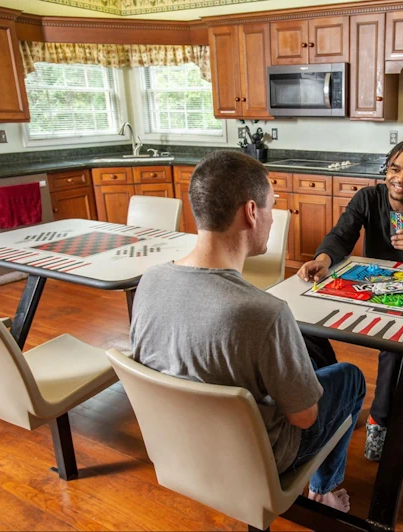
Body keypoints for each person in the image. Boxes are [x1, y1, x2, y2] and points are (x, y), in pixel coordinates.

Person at [130, 151, 366, 512]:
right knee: (350, 377)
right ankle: (325, 490)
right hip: (256, 458)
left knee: (309, 354)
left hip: (178, 444)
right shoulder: (264, 313)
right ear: (251, 212)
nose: (272, 218)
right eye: (272, 207)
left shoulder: (148, 281)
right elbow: (304, 418)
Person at [297, 140, 403, 461]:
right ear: (386, 171)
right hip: (370, 282)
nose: (402, 179)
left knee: (394, 345)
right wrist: (323, 259)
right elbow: (342, 234)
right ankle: (333, 394)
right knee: (307, 324)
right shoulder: (367, 197)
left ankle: (380, 421)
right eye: (395, 169)